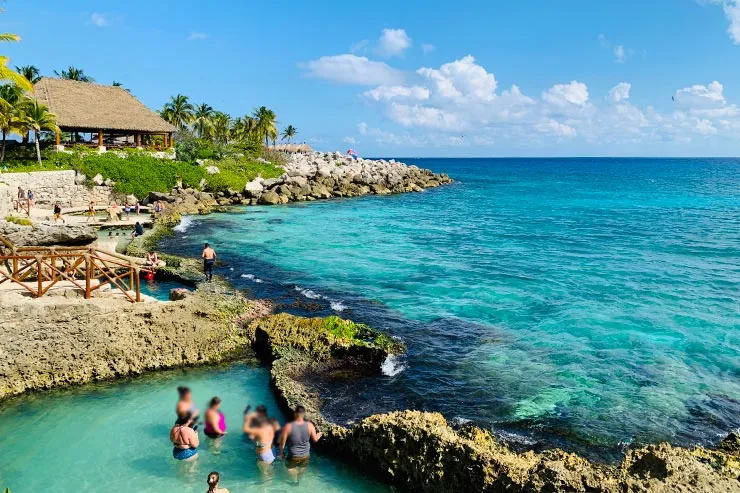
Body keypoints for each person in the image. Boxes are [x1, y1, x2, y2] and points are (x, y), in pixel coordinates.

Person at [278, 405, 322, 471]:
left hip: (293, 456)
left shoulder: (288, 426)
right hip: (305, 456)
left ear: (295, 414)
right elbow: (315, 440)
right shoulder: (310, 425)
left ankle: (294, 480)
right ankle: (298, 479)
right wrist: (319, 434)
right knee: (302, 468)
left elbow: (282, 443)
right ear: (304, 414)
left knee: (290, 469)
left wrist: (281, 453)